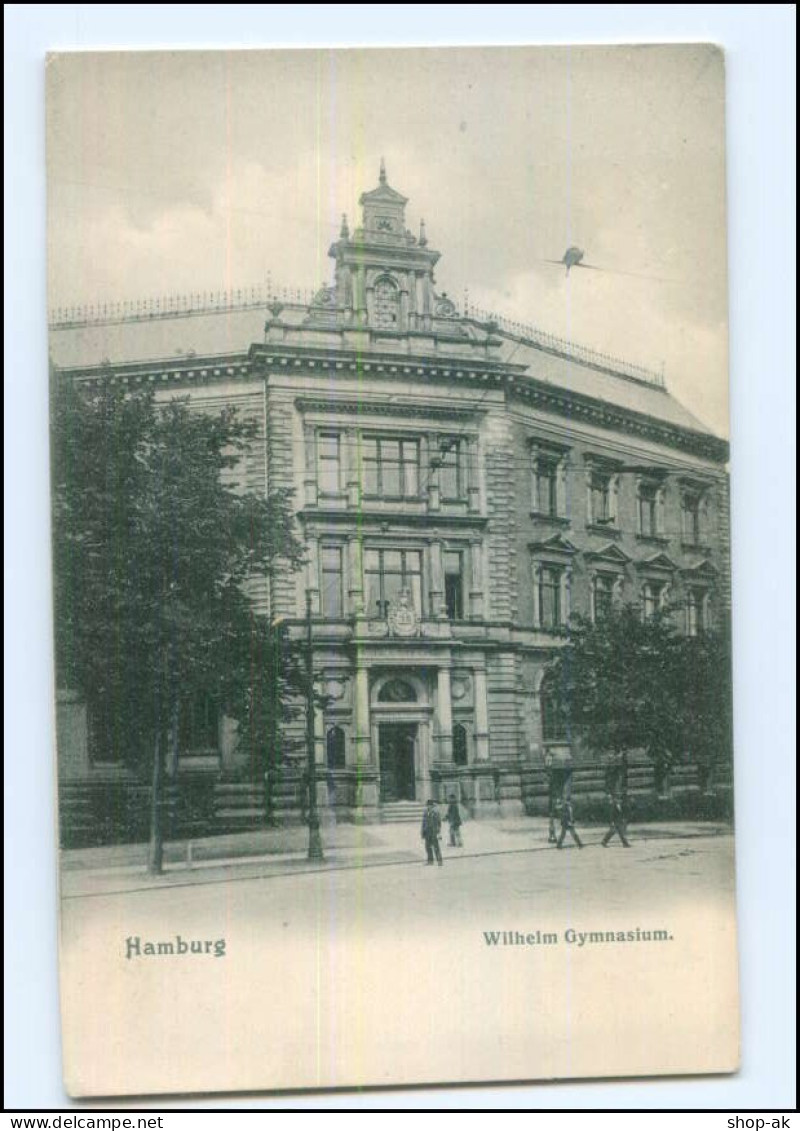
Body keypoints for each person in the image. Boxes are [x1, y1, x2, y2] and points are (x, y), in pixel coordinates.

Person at [421, 799, 443, 865]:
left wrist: (438, 832)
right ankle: (430, 861)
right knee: (427, 847)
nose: (428, 807)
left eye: (430, 805)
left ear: (432, 806)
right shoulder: (425, 812)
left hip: (434, 832)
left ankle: (439, 861)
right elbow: (423, 822)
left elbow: (439, 823)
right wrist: (422, 831)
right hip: (427, 832)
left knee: (436, 847)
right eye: (427, 805)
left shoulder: (435, 812)